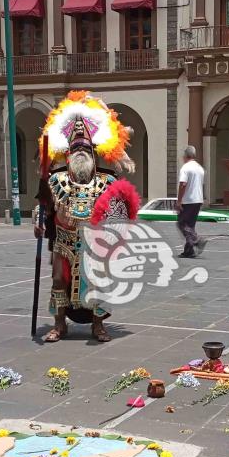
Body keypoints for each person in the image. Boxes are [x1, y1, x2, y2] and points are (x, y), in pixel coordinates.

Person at [34, 90, 139, 343]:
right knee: (59, 279)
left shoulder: (107, 181)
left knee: (98, 282)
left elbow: (119, 213)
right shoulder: (55, 179)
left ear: (93, 154)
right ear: (68, 154)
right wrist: (37, 223)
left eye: (85, 149)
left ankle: (98, 326)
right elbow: (43, 207)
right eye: (75, 148)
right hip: (63, 240)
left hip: (94, 243)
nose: (80, 152)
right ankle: (59, 325)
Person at [176, 146, 207, 258]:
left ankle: (197, 240)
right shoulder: (200, 168)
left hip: (188, 200)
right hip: (198, 199)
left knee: (182, 223)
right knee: (190, 225)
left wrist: (179, 201)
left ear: (185, 156)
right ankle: (189, 251)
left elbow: (183, 184)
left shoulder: (186, 168)